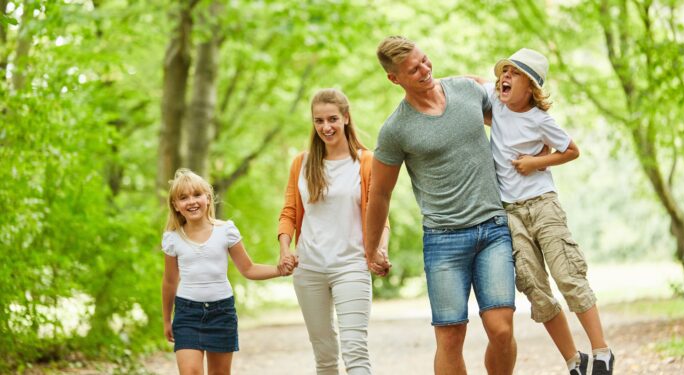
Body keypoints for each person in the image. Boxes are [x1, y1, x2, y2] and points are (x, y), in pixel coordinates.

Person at [365, 36, 516, 375]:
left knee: (502, 330)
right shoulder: (395, 129)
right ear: (394, 79)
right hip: (443, 240)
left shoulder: (466, 91)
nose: (425, 70)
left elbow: (512, 121)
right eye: (413, 69)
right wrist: (371, 248)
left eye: (425, 60)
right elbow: (380, 194)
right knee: (449, 339)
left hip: (493, 229)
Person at [483, 47, 614, 375]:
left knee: (568, 274)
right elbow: (470, 82)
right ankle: (574, 360)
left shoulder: (541, 120)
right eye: (503, 72)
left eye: (513, 73)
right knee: (535, 287)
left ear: (530, 86)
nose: (504, 77)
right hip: (511, 213)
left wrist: (535, 162)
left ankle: (602, 352)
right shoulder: (496, 104)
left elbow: (571, 150)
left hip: (543, 204)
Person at [277, 88, 390, 375]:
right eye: (319, 121)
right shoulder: (301, 164)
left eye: (332, 119)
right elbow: (289, 211)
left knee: (355, 351)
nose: (326, 127)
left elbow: (379, 214)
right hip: (309, 268)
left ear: (346, 118)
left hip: (351, 264)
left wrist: (380, 250)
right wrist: (285, 250)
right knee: (324, 355)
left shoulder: (365, 162)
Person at [161, 168, 296, 375]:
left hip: (221, 312)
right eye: (183, 198)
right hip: (187, 314)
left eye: (197, 195)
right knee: (190, 372)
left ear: (208, 198)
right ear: (176, 206)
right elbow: (170, 281)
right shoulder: (173, 238)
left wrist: (280, 270)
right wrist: (166, 319)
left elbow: (248, 269)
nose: (191, 201)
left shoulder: (226, 231)